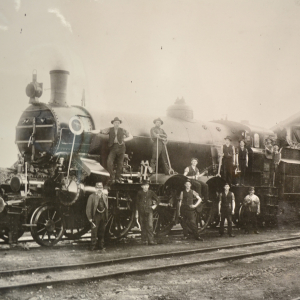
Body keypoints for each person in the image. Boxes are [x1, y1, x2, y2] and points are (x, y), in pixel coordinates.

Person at [99, 117, 133, 183]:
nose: (117, 124)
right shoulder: (109, 129)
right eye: (115, 123)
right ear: (113, 123)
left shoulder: (122, 130)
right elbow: (101, 131)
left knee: (120, 163)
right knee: (109, 162)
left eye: (118, 123)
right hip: (113, 147)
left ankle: (117, 178)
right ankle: (111, 177)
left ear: (119, 123)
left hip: (121, 148)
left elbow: (131, 136)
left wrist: (124, 140)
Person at [135, 179, 160, 245]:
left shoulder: (151, 192)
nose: (145, 187)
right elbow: (137, 203)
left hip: (149, 211)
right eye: (144, 186)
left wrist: (155, 205)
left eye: (147, 186)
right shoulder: (139, 193)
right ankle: (144, 240)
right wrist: (137, 213)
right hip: (141, 211)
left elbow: (158, 200)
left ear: (148, 186)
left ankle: (151, 240)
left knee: (150, 225)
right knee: (143, 225)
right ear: (142, 187)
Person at [86, 182, 108, 251]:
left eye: (101, 188)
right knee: (94, 232)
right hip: (95, 216)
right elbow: (88, 208)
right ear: (95, 188)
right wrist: (89, 218)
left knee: (102, 231)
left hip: (103, 215)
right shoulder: (91, 197)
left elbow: (107, 207)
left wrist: (106, 217)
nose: (99, 189)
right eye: (98, 188)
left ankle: (101, 246)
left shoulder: (105, 197)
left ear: (102, 188)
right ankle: (93, 246)